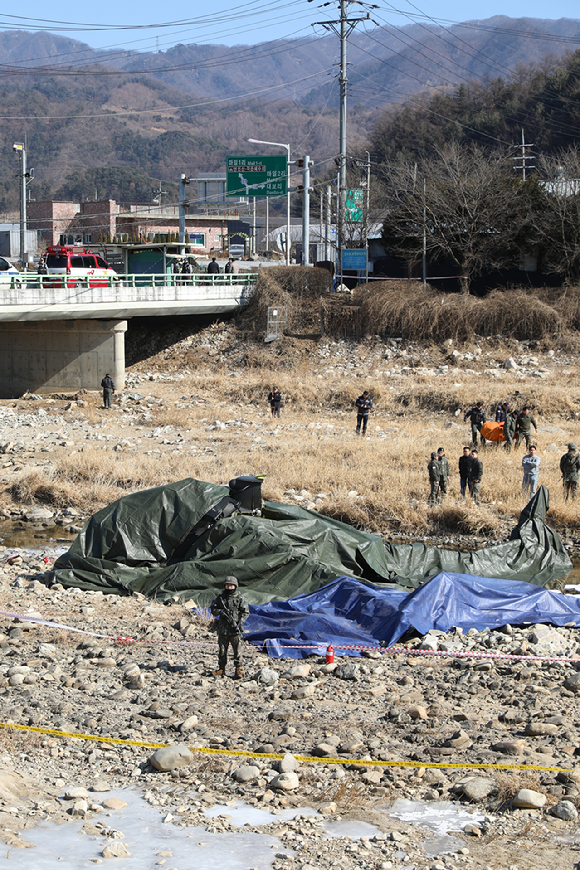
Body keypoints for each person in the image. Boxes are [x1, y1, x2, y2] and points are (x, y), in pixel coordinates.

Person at [210, 576, 249, 679]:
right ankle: (221, 669)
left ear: (235, 586)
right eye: (227, 585)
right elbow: (213, 610)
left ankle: (238, 670)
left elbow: (246, 612)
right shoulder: (221, 598)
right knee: (222, 650)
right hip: (223, 629)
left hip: (235, 629)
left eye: (231, 585)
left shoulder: (240, 598)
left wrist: (240, 623)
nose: (229, 587)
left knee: (237, 651)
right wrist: (220, 612)